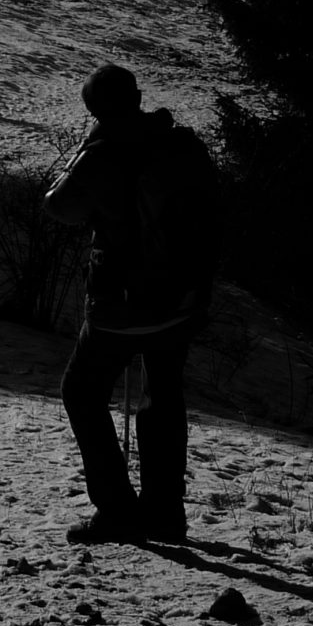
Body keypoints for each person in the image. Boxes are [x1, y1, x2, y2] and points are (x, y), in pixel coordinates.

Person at [44, 62, 219, 545]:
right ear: (139, 96)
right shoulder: (183, 145)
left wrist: (84, 149)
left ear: (93, 109)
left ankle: (117, 509)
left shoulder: (100, 155)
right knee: (163, 395)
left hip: (120, 305)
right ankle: (164, 513)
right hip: (180, 299)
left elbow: (59, 207)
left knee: (82, 390)